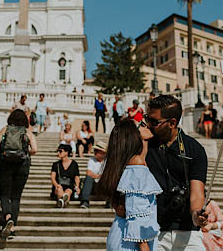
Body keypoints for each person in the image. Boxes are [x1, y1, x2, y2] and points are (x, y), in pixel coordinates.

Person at [143, 94, 211, 251]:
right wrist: (141, 141)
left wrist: (196, 214)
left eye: (154, 121)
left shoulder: (194, 149)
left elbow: (197, 193)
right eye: (148, 118)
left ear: (172, 123)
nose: (149, 124)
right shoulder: (145, 145)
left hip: (188, 231)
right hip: (154, 231)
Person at [96, 119, 162, 251]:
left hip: (122, 236)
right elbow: (137, 212)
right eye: (140, 124)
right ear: (133, 135)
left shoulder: (128, 162)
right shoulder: (137, 163)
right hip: (132, 242)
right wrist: (144, 248)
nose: (146, 124)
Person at [0, 108, 37, 239]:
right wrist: (24, 153)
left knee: (3, 194)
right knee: (16, 197)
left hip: (6, 164)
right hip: (22, 166)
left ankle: (7, 217)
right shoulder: (27, 132)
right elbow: (35, 149)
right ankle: (12, 227)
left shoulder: (4, 130)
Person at [79, 141, 107, 209]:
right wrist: (99, 176)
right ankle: (85, 201)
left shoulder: (108, 161)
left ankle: (109, 202)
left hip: (104, 185)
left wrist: (98, 176)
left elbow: (109, 175)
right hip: (94, 185)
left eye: (96, 151)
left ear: (102, 152)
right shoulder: (92, 159)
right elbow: (88, 173)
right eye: (95, 150)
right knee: (88, 178)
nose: (94, 152)